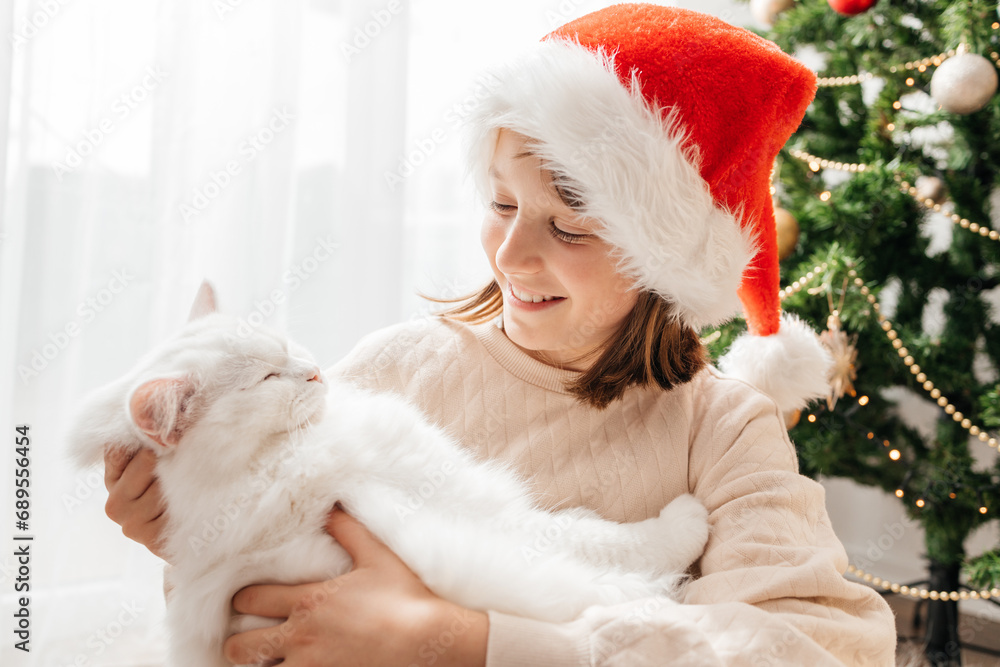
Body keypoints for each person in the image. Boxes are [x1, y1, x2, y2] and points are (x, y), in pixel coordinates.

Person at [102, 4, 898, 665]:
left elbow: (820, 645)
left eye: (572, 225)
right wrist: (194, 529)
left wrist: (467, 640)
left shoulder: (721, 427)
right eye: (502, 204)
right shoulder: (394, 371)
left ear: (661, 255)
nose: (512, 254)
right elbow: (256, 620)